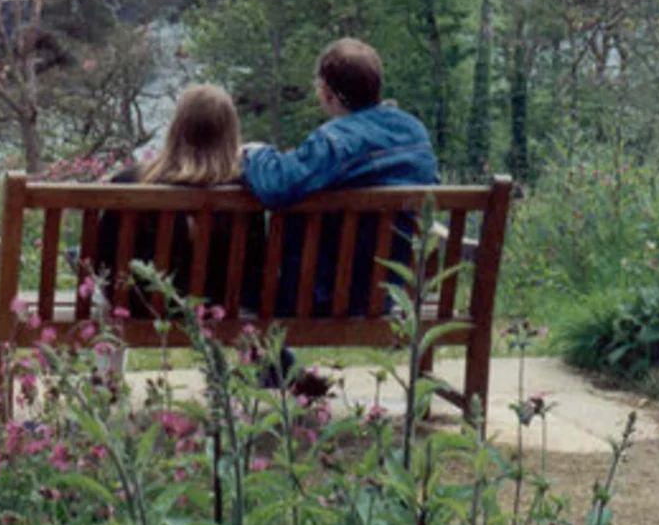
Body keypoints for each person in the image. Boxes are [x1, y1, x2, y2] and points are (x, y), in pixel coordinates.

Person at [241, 37, 438, 316]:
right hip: (392, 293)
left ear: (327, 94)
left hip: (324, 296)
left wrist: (255, 154)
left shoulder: (335, 142)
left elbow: (276, 185)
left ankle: (275, 357)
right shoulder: (414, 132)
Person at [92, 84, 265, 317]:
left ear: (176, 128)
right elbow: (255, 265)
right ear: (230, 132)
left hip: (143, 306)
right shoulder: (246, 190)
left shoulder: (130, 182)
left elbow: (103, 258)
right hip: (221, 308)